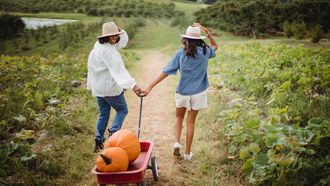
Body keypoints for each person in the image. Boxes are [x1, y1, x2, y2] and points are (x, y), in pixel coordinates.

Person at [142, 23, 218, 160]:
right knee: (191, 122)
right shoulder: (206, 51)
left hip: (182, 92)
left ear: (185, 40)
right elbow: (215, 46)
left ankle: (177, 142)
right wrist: (206, 31)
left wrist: (150, 86)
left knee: (178, 117)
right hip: (199, 93)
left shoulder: (179, 54)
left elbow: (165, 72)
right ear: (200, 39)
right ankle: (188, 153)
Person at [87, 22, 142, 153]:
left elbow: (122, 41)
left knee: (103, 112)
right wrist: (133, 85)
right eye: (111, 36)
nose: (114, 38)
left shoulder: (99, 46)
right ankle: (113, 135)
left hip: (98, 88)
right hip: (108, 87)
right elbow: (119, 69)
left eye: (116, 35)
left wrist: (118, 31)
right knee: (122, 109)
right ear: (105, 37)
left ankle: (98, 141)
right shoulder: (108, 51)